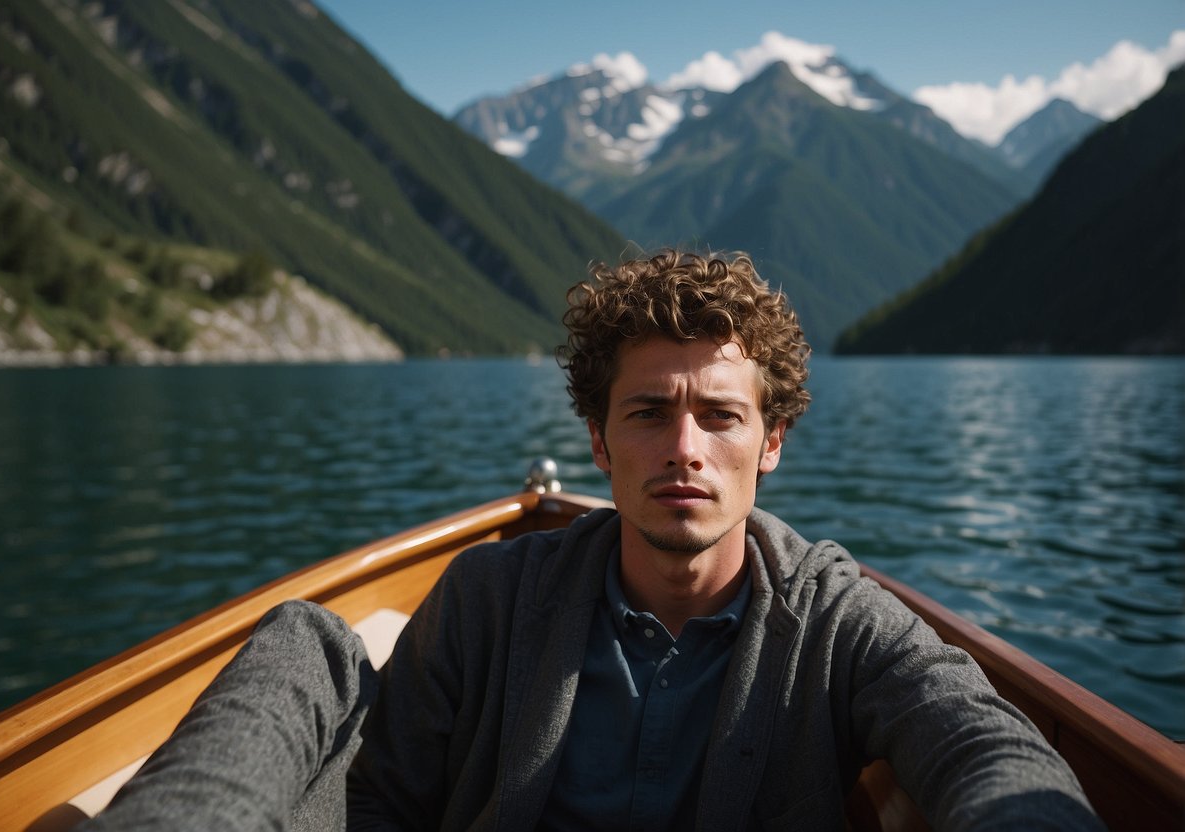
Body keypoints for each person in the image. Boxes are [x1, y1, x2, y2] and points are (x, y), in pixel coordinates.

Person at [82, 250, 1102, 831]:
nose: (684, 448)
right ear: (599, 441)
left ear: (772, 441)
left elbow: (979, 740)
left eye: (721, 416)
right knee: (302, 640)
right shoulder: (490, 597)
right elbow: (383, 797)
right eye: (649, 412)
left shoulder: (836, 620)